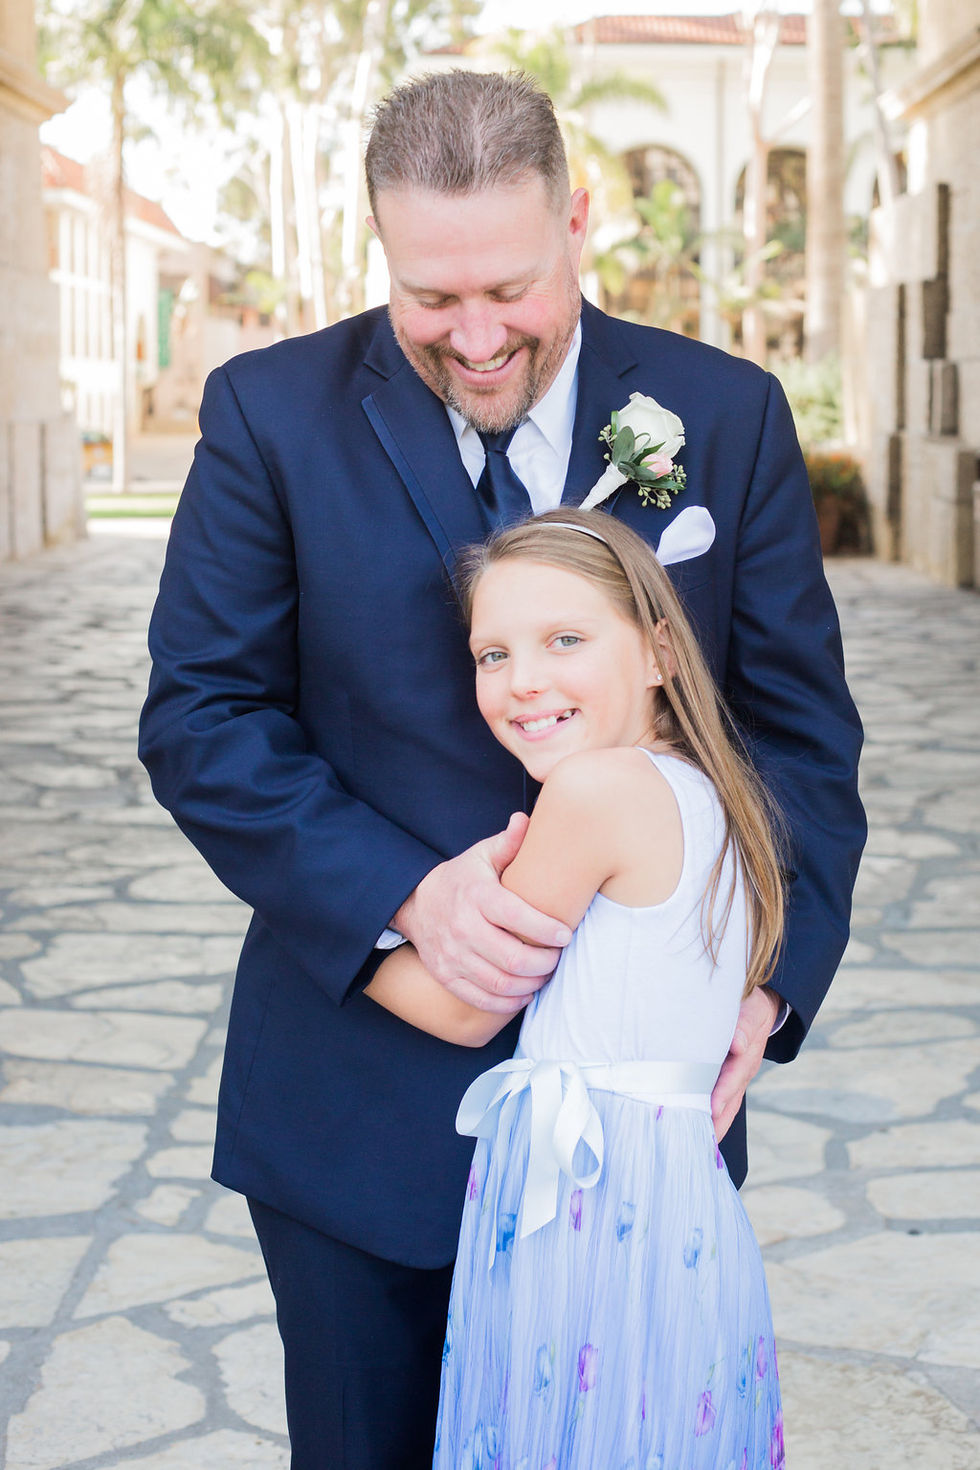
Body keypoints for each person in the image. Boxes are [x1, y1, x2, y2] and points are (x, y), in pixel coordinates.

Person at [138, 70, 865, 1469]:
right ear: (379, 247)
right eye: (431, 298)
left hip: (640, 1151)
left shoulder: (725, 414)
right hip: (360, 1113)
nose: (475, 339)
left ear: (577, 222)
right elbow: (203, 716)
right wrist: (404, 898)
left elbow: (800, 736)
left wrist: (768, 979)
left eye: (511, 290)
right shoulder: (268, 415)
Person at [365, 507, 786, 1468]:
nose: (523, 680)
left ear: (660, 652)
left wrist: (351, 933)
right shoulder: (707, 788)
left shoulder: (595, 792)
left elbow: (465, 1007)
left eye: (565, 640)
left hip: (599, 1205)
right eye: (493, 654)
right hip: (675, 1199)